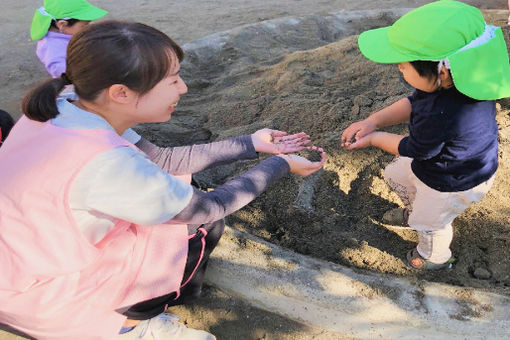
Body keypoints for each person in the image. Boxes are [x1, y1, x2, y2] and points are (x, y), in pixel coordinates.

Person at [0, 21, 325, 340]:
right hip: (37, 294)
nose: (183, 87)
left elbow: (161, 160)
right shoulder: (108, 163)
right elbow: (208, 208)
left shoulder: (66, 104)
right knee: (194, 227)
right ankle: (133, 325)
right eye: (172, 80)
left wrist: (251, 143)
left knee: (174, 195)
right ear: (121, 93)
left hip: (18, 261)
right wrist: (280, 164)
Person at [341, 1, 510, 270]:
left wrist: (373, 139)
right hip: (446, 162)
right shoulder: (456, 80)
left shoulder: (446, 113)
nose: (398, 67)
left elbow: (416, 148)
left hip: (453, 180)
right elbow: (412, 103)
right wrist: (372, 121)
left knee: (432, 225)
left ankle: (434, 257)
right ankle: (415, 213)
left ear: (441, 69)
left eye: (404, 64)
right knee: (395, 175)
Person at [30, 0, 108, 78]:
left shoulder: (67, 32)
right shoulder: (52, 50)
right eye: (84, 25)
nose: (87, 28)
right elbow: (63, 73)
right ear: (62, 24)